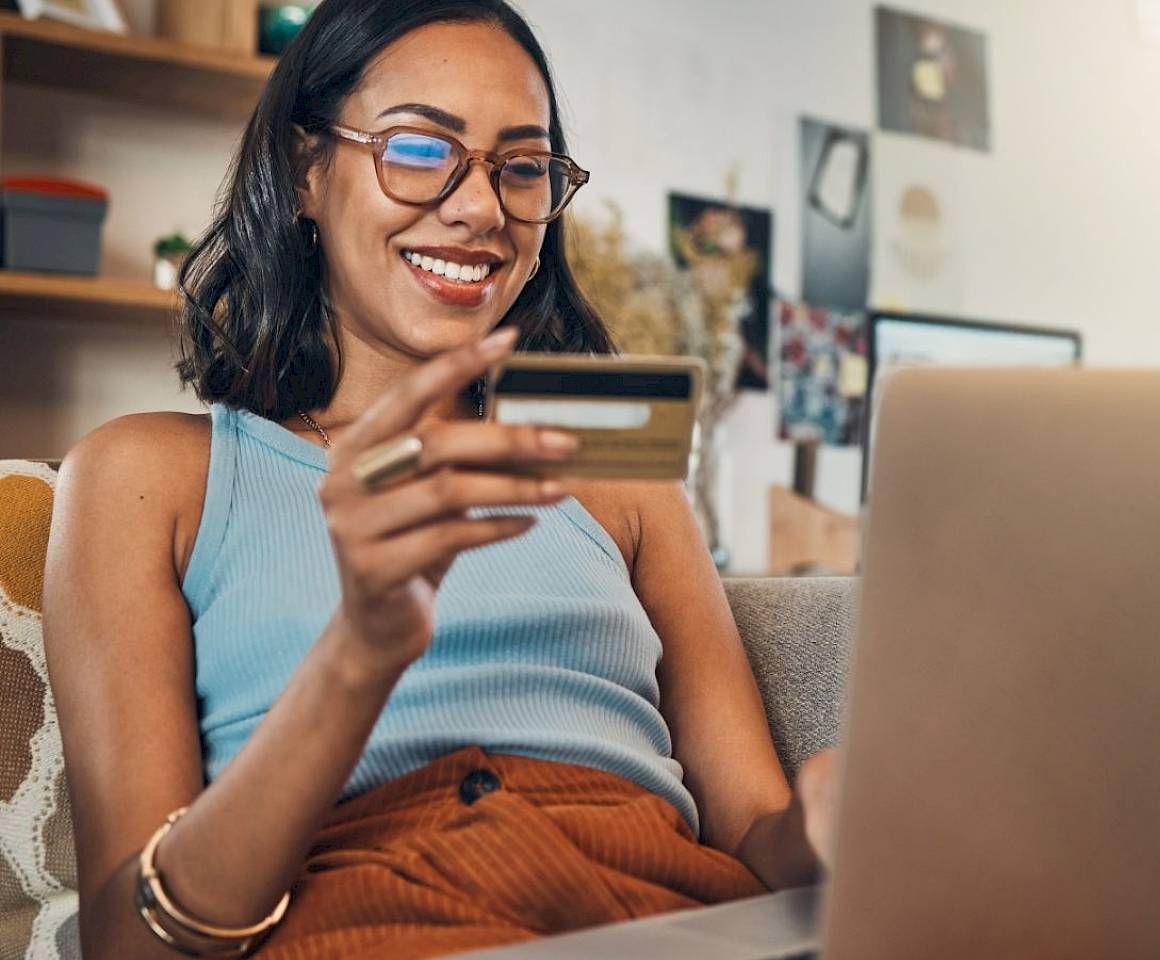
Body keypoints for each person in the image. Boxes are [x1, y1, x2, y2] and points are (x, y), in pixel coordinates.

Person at [41, 2, 837, 957]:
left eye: (523, 166)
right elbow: (134, 945)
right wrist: (363, 648)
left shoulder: (616, 480)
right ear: (305, 171)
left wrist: (829, 826)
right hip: (359, 919)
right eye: (420, 150)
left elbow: (752, 832)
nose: (480, 208)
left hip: (659, 917)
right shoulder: (146, 478)